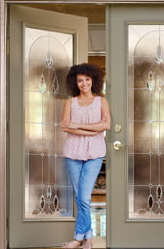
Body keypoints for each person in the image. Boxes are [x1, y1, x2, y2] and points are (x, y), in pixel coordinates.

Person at [61, 63, 111, 249]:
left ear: (93, 81)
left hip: (95, 154)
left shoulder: (101, 101)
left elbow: (106, 126)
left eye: (87, 80)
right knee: (80, 197)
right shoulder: (70, 102)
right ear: (75, 83)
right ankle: (88, 239)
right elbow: (66, 126)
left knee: (84, 198)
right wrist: (92, 128)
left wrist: (79, 127)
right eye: (80, 80)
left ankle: (77, 238)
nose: (84, 84)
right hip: (72, 153)